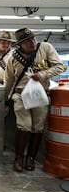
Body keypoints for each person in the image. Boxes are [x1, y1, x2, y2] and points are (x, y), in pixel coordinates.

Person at [4, 27, 65, 173]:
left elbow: (60, 67)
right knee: (24, 125)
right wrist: (6, 99)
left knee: (38, 127)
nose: (32, 42)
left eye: (33, 39)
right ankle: (19, 158)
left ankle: (30, 158)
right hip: (20, 95)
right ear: (19, 45)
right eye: (27, 41)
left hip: (40, 94)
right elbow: (9, 80)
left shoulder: (45, 48)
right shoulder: (13, 58)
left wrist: (43, 74)